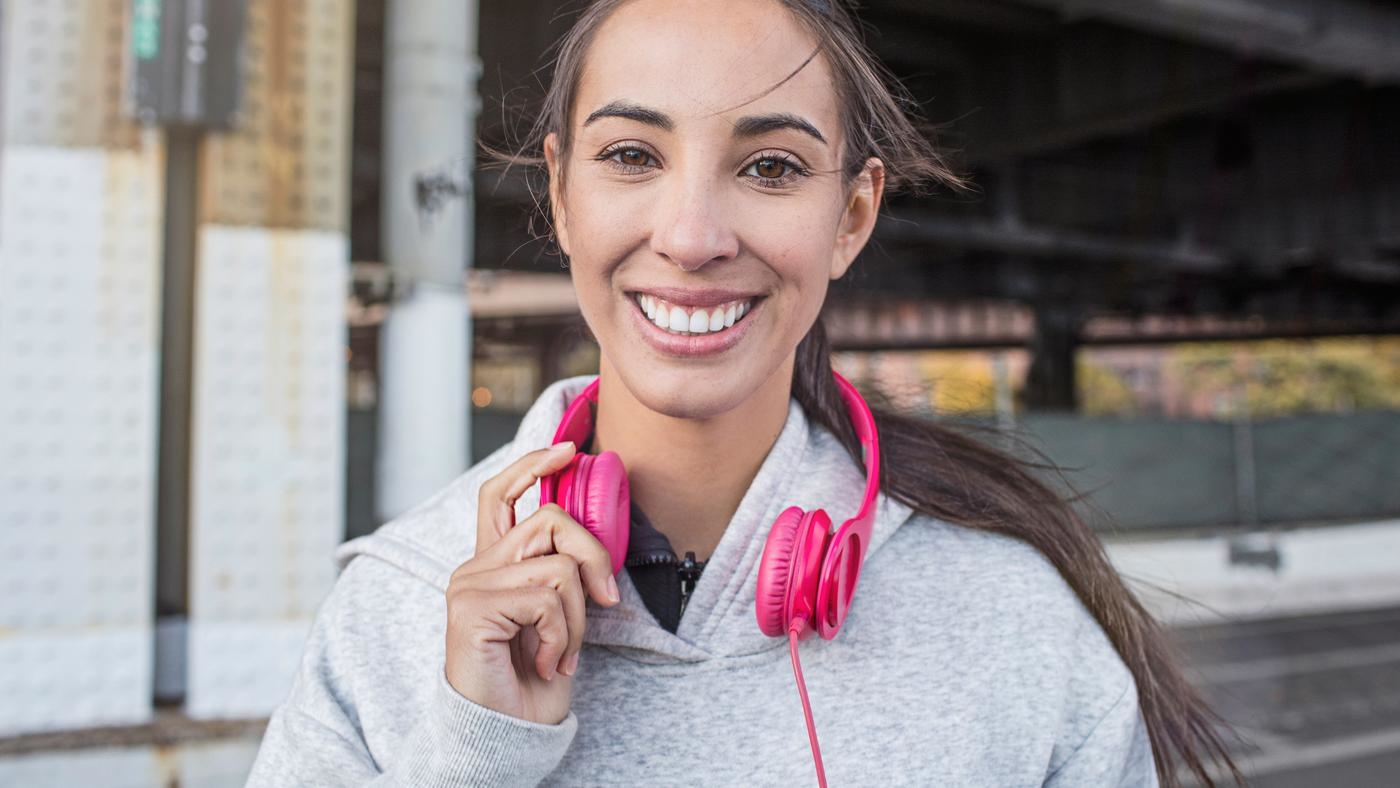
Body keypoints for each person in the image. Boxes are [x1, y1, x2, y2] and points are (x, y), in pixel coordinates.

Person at [247, 1, 1246, 785]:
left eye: (769, 167)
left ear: (850, 216)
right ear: (559, 194)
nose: (690, 236)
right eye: (631, 155)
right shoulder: (398, 606)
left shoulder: (1008, 611)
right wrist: (471, 753)